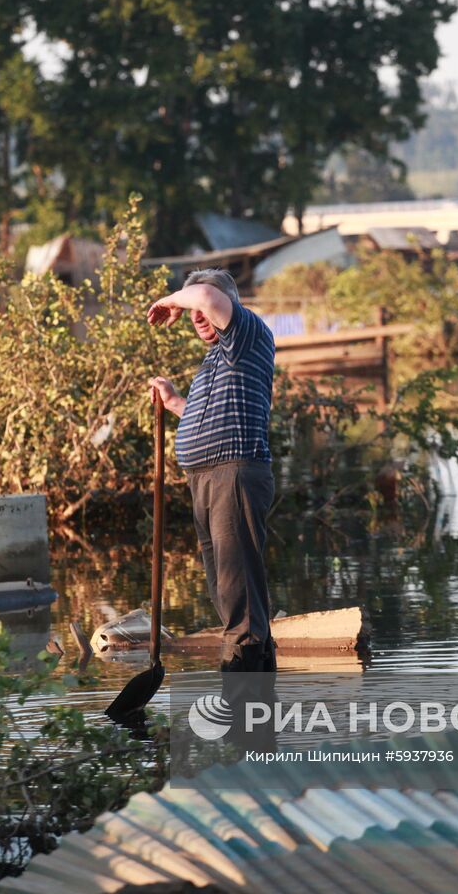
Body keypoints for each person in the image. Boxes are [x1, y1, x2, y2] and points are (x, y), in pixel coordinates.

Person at [146, 268, 277, 673]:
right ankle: (246, 672)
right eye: (192, 313)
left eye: (203, 308)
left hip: (233, 473)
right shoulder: (216, 361)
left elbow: (204, 295)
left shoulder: (246, 332)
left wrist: (171, 300)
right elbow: (214, 417)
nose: (197, 315)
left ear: (228, 305)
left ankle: (244, 669)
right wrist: (175, 404)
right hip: (205, 478)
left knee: (238, 583)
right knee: (223, 584)